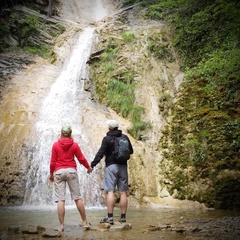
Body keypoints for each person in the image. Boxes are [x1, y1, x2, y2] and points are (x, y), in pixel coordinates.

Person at [49, 125, 92, 231]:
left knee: (60, 200)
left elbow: (53, 162)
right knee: (77, 198)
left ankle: (61, 225)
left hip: (59, 172)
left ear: (61, 133)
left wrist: (51, 174)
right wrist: (88, 167)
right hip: (71, 172)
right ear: (70, 133)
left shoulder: (55, 145)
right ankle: (84, 221)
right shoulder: (74, 145)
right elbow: (81, 159)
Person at [91, 119, 133, 225]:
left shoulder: (107, 139)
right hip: (123, 166)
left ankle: (110, 217)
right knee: (123, 192)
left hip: (111, 166)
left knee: (111, 191)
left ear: (109, 128)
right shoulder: (125, 137)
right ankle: (123, 217)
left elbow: (100, 153)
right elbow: (131, 151)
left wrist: (92, 164)